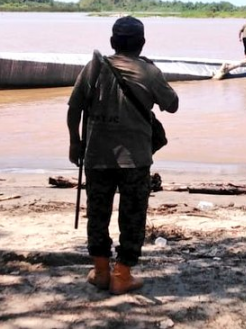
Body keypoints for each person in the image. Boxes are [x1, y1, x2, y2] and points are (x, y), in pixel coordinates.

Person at [67, 16, 179, 295]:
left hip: (96, 157)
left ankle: (101, 271)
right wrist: (151, 73)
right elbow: (173, 105)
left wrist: (74, 143)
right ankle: (122, 274)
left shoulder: (93, 68)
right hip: (135, 160)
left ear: (112, 43)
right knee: (132, 217)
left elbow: (74, 108)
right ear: (141, 44)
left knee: (97, 214)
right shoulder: (150, 73)